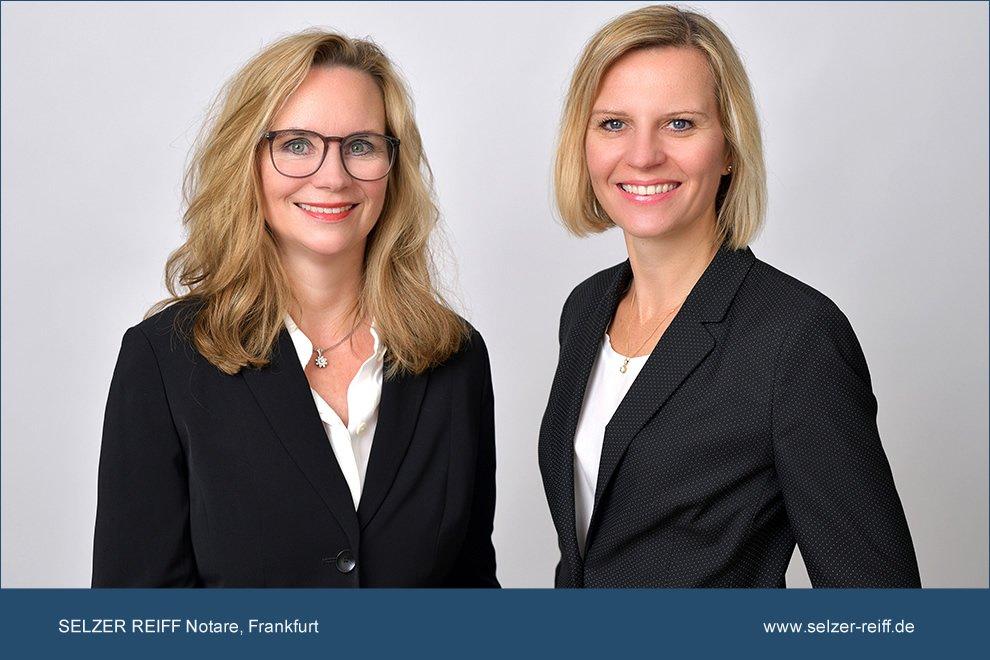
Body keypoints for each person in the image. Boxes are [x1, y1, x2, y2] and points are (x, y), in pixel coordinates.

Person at [93, 30, 498, 587]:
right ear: (248, 161)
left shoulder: (456, 356)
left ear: (393, 167)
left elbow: (472, 592)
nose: (333, 177)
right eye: (297, 145)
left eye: (361, 146)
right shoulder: (164, 360)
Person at [539, 5, 920, 588]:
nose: (642, 155)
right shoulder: (586, 309)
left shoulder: (795, 337)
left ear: (730, 148)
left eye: (680, 124)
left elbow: (881, 610)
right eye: (614, 123)